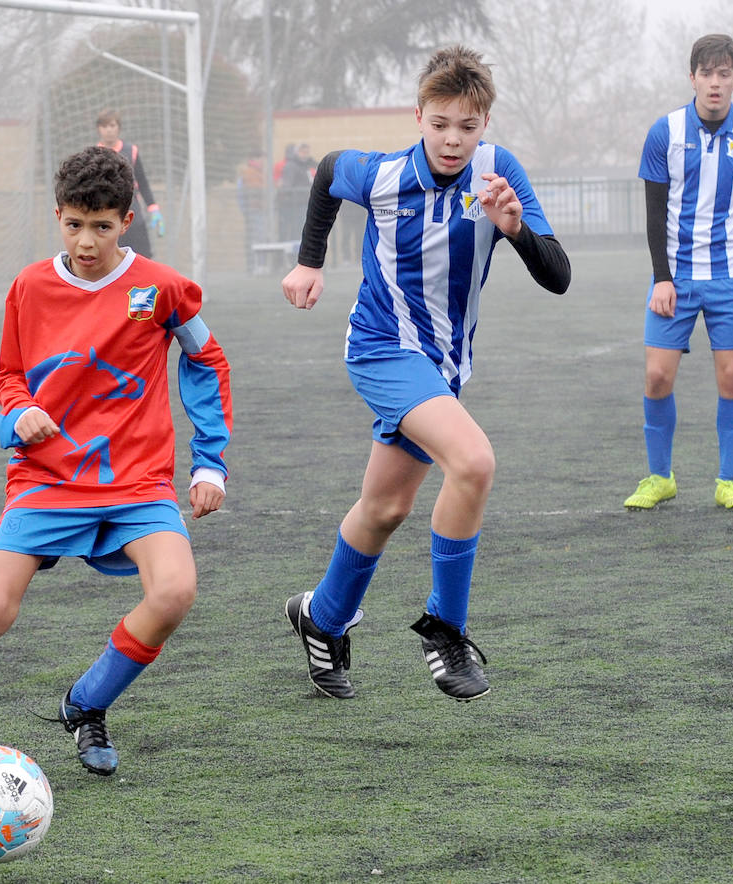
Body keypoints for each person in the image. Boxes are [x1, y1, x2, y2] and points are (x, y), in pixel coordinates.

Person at [0, 146, 232, 788]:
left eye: (102, 226)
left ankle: (88, 703)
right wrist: (18, 415)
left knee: (175, 591)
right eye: (74, 224)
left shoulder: (162, 288)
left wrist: (210, 463)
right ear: (58, 217)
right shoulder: (30, 286)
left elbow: (207, 359)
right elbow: (11, 375)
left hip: (136, 483)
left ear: (126, 220)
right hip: (46, 479)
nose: (87, 241)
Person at [279, 45, 570, 702]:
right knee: (473, 462)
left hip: (443, 368)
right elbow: (328, 172)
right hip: (381, 349)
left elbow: (558, 277)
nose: (452, 139)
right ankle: (446, 631)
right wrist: (309, 261)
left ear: (484, 124)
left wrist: (516, 231)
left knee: (385, 507)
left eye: (466, 127)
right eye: (440, 123)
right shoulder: (381, 175)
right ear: (419, 117)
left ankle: (321, 619)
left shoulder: (500, 175)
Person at [623, 34, 733, 513]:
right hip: (674, 278)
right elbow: (654, 212)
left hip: (730, 276)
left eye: (724, 74)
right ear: (692, 76)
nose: (715, 83)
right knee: (657, 377)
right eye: (706, 73)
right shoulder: (665, 132)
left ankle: (729, 481)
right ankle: (660, 477)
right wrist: (661, 277)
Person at [96, 108, 164, 259]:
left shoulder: (131, 150)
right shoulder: (94, 154)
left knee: (142, 257)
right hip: (107, 215)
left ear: (118, 127)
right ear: (99, 129)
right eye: (105, 126)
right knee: (112, 258)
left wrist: (154, 209)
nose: (109, 130)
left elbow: (142, 182)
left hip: (133, 212)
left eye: (112, 125)